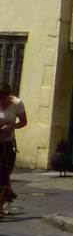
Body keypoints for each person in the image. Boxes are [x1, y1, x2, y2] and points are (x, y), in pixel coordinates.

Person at [0, 81, 26, 213]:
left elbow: (23, 122)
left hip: (8, 143)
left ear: (9, 96)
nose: (1, 103)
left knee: (5, 173)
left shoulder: (17, 104)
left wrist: (10, 126)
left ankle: (3, 200)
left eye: (3, 100)